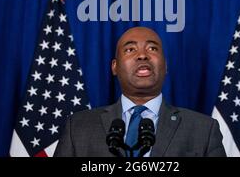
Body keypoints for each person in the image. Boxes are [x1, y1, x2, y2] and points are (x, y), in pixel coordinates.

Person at [55, 26, 226, 157]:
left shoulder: (204, 129)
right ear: (115, 67)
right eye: (130, 49)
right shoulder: (77, 128)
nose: (142, 55)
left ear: (165, 66)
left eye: (152, 49)